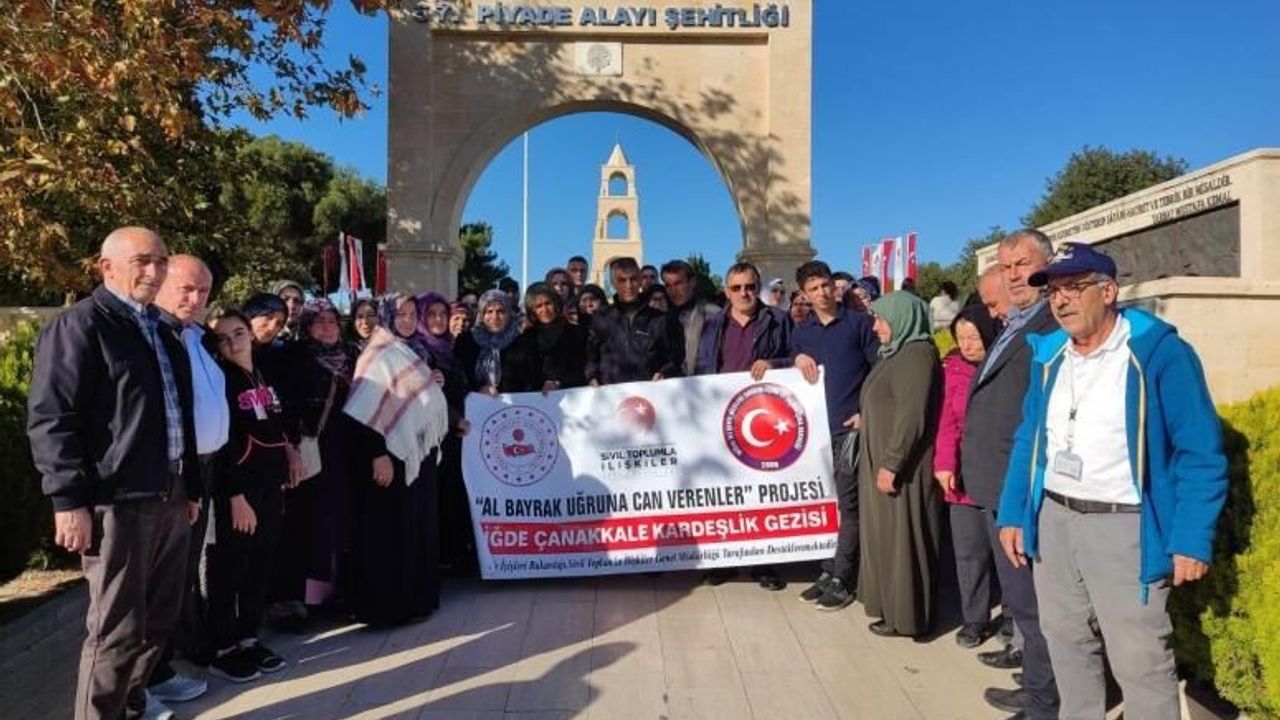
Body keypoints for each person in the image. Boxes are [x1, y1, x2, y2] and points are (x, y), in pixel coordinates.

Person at [997, 244, 1228, 720]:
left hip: (1124, 527)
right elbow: (1030, 439)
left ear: (1108, 291)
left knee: (1140, 660)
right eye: (1054, 291)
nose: (1061, 300)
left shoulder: (1160, 353)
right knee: (1066, 644)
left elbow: (1200, 453)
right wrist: (1015, 510)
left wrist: (1191, 537)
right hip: (1054, 520)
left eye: (1073, 287)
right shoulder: (1050, 356)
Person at [28, 227, 201, 720]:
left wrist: (191, 486)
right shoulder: (81, 326)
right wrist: (68, 501)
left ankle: (130, 704)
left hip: (170, 493)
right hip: (118, 502)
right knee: (116, 631)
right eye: (142, 260)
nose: (155, 271)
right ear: (106, 267)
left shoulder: (162, 330)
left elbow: (179, 415)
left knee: (160, 619)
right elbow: (53, 418)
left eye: (161, 261)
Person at [962, 229, 1061, 719]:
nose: (1014, 275)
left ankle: (1046, 703)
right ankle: (1039, 685)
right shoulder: (1015, 325)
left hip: (1017, 490)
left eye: (1023, 264)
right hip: (996, 486)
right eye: (1006, 267)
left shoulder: (1050, 325)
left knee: (1033, 604)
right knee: (1023, 603)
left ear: (1047, 264)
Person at [147, 255, 227, 712]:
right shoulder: (152, 334)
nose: (196, 299)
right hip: (162, 477)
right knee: (154, 584)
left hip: (199, 470)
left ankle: (158, 670)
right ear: (161, 284)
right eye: (187, 289)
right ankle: (139, 680)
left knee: (176, 579)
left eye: (204, 292)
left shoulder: (194, 336)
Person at [343, 294, 451, 624]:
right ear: (386, 315)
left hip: (417, 454)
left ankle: (418, 600)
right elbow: (364, 410)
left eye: (412, 314)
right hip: (390, 454)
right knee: (391, 532)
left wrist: (434, 382)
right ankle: (388, 608)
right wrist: (377, 455)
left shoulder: (412, 350)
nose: (407, 319)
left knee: (417, 527)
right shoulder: (377, 353)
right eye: (400, 313)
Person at [206, 309, 299, 683]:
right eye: (223, 338)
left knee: (260, 564)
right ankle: (222, 646)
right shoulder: (222, 380)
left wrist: (290, 452)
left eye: (238, 333)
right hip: (240, 491)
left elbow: (277, 423)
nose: (233, 342)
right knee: (230, 567)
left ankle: (248, 636)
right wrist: (235, 494)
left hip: (270, 485)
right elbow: (224, 444)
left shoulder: (262, 373)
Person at [694, 262, 791, 591]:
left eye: (749, 286)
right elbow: (703, 366)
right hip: (720, 416)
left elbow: (793, 357)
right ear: (726, 291)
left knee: (761, 491)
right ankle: (726, 559)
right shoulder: (713, 324)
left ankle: (764, 563)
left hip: (761, 416)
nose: (744, 293)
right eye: (736, 288)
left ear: (758, 287)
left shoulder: (777, 320)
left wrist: (774, 363)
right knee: (723, 491)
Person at [790, 260, 880, 611]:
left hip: (848, 430)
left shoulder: (859, 324)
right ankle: (828, 570)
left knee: (849, 505)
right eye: (814, 289)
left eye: (826, 285)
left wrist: (866, 412)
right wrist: (796, 357)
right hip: (815, 435)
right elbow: (791, 373)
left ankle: (844, 577)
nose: (823, 293)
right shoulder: (802, 332)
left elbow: (878, 370)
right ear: (804, 294)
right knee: (825, 505)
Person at [857, 291, 942, 637]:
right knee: (888, 540)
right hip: (884, 461)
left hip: (903, 469)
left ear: (901, 317)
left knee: (904, 541)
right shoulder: (896, 352)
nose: (876, 327)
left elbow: (912, 414)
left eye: (881, 319)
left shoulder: (916, 354)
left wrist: (892, 463)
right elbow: (889, 400)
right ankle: (891, 608)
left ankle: (909, 617)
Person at [278, 300, 359, 621]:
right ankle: (304, 600)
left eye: (332, 320)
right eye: (318, 321)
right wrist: (291, 444)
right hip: (309, 447)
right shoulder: (295, 356)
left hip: (344, 450)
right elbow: (284, 403)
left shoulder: (351, 356)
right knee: (307, 522)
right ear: (306, 326)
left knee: (338, 521)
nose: (326, 326)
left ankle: (336, 595)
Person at [933, 302, 1000, 648]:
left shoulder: (1005, 367)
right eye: (961, 338)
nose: (968, 345)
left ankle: (1014, 620)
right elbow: (947, 423)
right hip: (962, 478)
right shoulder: (952, 370)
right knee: (969, 552)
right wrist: (945, 464)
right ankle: (975, 618)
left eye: (973, 337)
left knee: (1007, 556)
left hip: (998, 473)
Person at [416, 292, 476, 572]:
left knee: (453, 495)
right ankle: (437, 559)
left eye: (443, 314)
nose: (439, 320)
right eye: (432, 314)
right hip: (434, 436)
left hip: (456, 437)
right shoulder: (418, 351)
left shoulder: (450, 348)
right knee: (437, 497)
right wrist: (455, 419)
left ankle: (453, 556)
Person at [586, 257, 680, 386]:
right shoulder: (600, 318)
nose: (629, 285)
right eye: (622, 280)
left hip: (649, 392)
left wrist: (664, 372)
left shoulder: (659, 319)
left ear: (640, 280)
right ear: (613, 283)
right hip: (611, 393)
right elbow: (591, 357)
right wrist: (591, 376)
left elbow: (673, 358)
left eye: (633, 279)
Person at [455, 289, 535, 393]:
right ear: (481, 314)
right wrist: (478, 389)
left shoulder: (522, 341)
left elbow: (532, 380)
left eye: (500, 311)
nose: (495, 317)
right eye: (489, 311)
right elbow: (458, 377)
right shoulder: (466, 341)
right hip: (474, 401)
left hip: (515, 402)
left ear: (509, 313)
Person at [521, 282, 589, 391]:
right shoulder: (527, 338)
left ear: (556, 303)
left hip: (572, 395)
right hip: (536, 398)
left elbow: (582, 369)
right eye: (538, 306)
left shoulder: (577, 333)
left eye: (548, 303)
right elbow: (524, 375)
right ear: (532, 310)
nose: (545, 310)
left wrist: (558, 383)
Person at [661, 259, 720, 378]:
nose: (673, 290)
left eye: (678, 283)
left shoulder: (713, 314)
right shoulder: (661, 319)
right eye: (668, 285)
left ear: (692, 282)